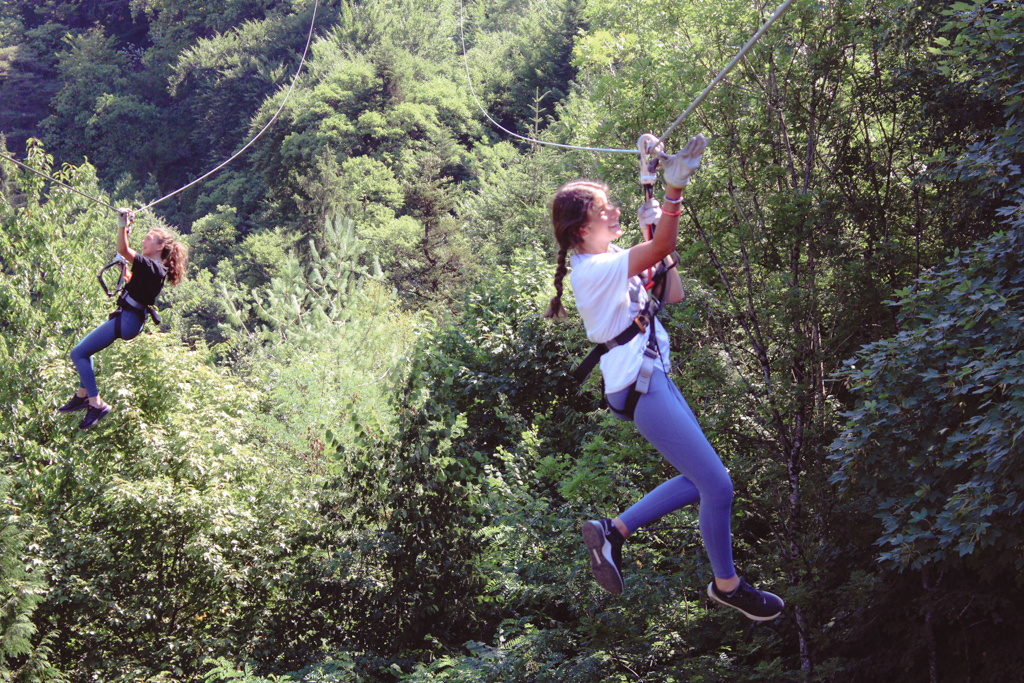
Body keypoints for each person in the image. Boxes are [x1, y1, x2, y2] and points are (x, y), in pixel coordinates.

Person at [543, 134, 784, 621]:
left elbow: (672, 294)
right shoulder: (594, 270)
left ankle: (613, 531)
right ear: (580, 231)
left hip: (649, 381)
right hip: (642, 385)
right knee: (719, 487)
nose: (614, 212)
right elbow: (663, 245)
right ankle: (727, 585)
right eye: (604, 211)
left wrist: (656, 240)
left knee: (702, 482)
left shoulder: (614, 260)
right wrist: (672, 195)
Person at [57, 209, 188, 430]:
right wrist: (127, 228)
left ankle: (96, 403)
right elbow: (130, 266)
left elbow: (124, 250)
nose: (144, 241)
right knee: (85, 353)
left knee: (78, 353)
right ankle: (82, 395)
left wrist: (122, 225)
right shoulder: (154, 269)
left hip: (127, 320)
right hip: (128, 319)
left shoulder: (153, 268)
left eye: (149, 238)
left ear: (160, 247)